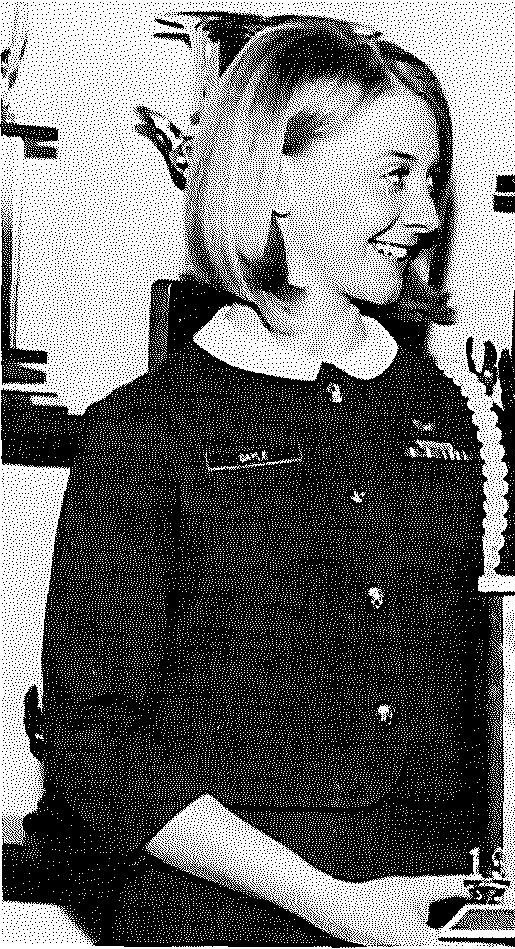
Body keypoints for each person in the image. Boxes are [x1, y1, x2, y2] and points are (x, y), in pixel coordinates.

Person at [39, 17, 488, 945]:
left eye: (432, 179)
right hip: (218, 913)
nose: (427, 215)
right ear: (278, 180)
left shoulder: (453, 415)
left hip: (431, 913)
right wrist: (334, 904)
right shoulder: (146, 428)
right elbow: (97, 745)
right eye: (395, 175)